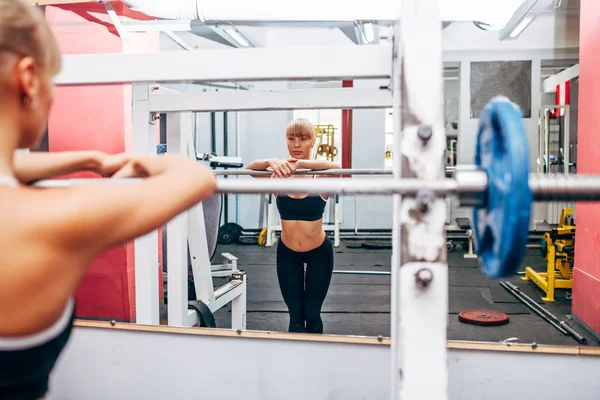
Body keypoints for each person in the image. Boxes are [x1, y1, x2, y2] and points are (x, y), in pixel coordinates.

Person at [0, 2, 216, 399]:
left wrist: (90, 158)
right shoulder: (59, 217)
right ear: (28, 78)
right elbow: (195, 177)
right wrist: (120, 161)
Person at [246, 118, 340, 334]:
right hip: (287, 254)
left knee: (312, 314)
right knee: (295, 318)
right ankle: (296, 364)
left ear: (312, 142)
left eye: (303, 139)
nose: (296, 144)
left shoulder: (320, 178)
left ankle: (316, 361)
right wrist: (272, 160)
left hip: (319, 254)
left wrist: (302, 164)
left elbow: (337, 167)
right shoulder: (278, 176)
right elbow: (251, 169)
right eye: (291, 139)